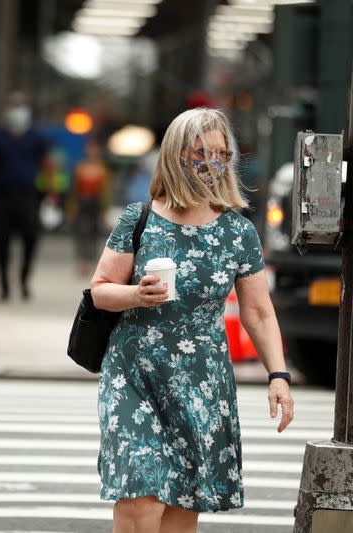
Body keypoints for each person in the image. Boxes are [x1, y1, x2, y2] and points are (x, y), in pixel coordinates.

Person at [90, 108, 294, 533]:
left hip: (201, 381)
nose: (212, 163)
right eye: (200, 153)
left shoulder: (239, 233)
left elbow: (258, 311)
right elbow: (100, 290)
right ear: (176, 156)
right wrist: (136, 294)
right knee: (140, 493)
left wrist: (278, 374)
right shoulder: (139, 218)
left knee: (182, 505)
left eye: (221, 154)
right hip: (133, 376)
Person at [0, 92, 56, 301]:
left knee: (30, 239)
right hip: (4, 196)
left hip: (29, 196)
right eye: (13, 106)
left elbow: (46, 165)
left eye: (20, 106)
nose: (17, 111)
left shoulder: (36, 137)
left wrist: (51, 194)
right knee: (2, 241)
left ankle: (23, 279)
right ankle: (4, 284)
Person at [72, 138, 109, 276]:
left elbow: (106, 192)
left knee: (94, 233)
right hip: (82, 203)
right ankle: (82, 262)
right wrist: (73, 206)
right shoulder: (80, 167)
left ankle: (92, 262)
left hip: (96, 204)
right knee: (81, 233)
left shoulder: (102, 169)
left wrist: (104, 210)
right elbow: (74, 189)